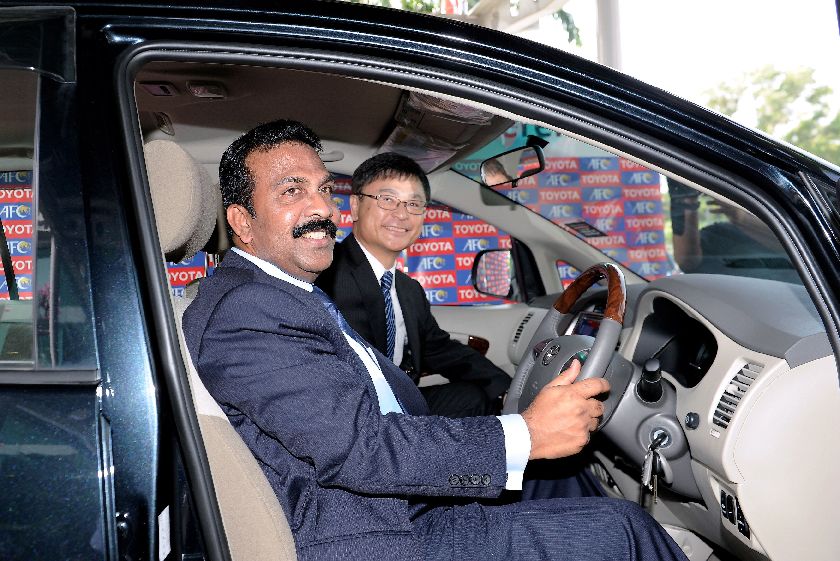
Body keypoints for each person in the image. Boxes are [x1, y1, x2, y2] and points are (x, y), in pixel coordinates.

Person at [183, 119, 689, 561]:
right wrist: (526, 434)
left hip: (379, 491)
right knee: (625, 528)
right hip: (368, 533)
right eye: (292, 191)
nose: (322, 210)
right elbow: (360, 449)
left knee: (560, 474)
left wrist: (518, 423)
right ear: (242, 222)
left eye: (323, 189)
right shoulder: (246, 310)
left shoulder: (277, 290)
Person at [316, 152, 510, 418]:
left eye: (414, 204)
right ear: (356, 206)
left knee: (474, 398)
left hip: (399, 406)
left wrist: (507, 389)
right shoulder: (323, 271)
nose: (402, 214)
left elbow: (439, 349)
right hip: (350, 416)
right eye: (387, 200)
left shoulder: (408, 289)